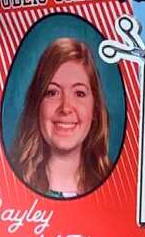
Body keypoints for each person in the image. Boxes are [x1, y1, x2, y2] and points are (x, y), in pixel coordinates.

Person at [10, 37, 112, 199]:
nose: (65, 108)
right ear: (36, 105)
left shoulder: (115, 191)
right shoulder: (9, 190)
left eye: (79, 93)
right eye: (52, 92)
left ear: (95, 109)